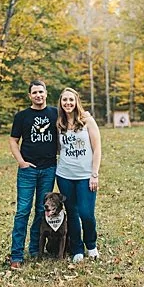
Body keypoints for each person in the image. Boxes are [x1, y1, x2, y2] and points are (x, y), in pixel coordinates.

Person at [8, 80, 60, 270]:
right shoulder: (22, 116)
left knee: (42, 210)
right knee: (23, 210)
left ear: (46, 93)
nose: (38, 95)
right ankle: (16, 255)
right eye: (34, 92)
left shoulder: (55, 113)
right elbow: (13, 140)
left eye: (41, 92)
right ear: (30, 96)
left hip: (48, 169)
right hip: (28, 170)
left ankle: (35, 249)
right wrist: (21, 162)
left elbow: (73, 120)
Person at [55, 88, 103, 264]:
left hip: (85, 176)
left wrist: (94, 174)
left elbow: (97, 148)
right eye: (64, 100)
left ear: (76, 102)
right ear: (61, 103)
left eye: (71, 100)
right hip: (64, 175)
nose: (68, 103)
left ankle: (91, 245)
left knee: (86, 213)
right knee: (72, 212)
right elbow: (58, 149)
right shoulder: (58, 123)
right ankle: (77, 248)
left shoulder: (87, 121)